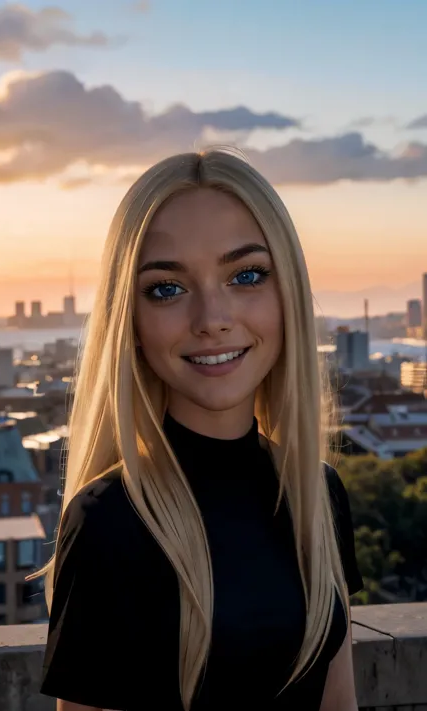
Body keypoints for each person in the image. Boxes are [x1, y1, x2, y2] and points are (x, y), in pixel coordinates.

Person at [36, 148, 363, 711]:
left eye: (247, 275)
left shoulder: (318, 494)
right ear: (131, 323)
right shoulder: (110, 520)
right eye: (167, 287)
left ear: (287, 296)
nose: (212, 317)